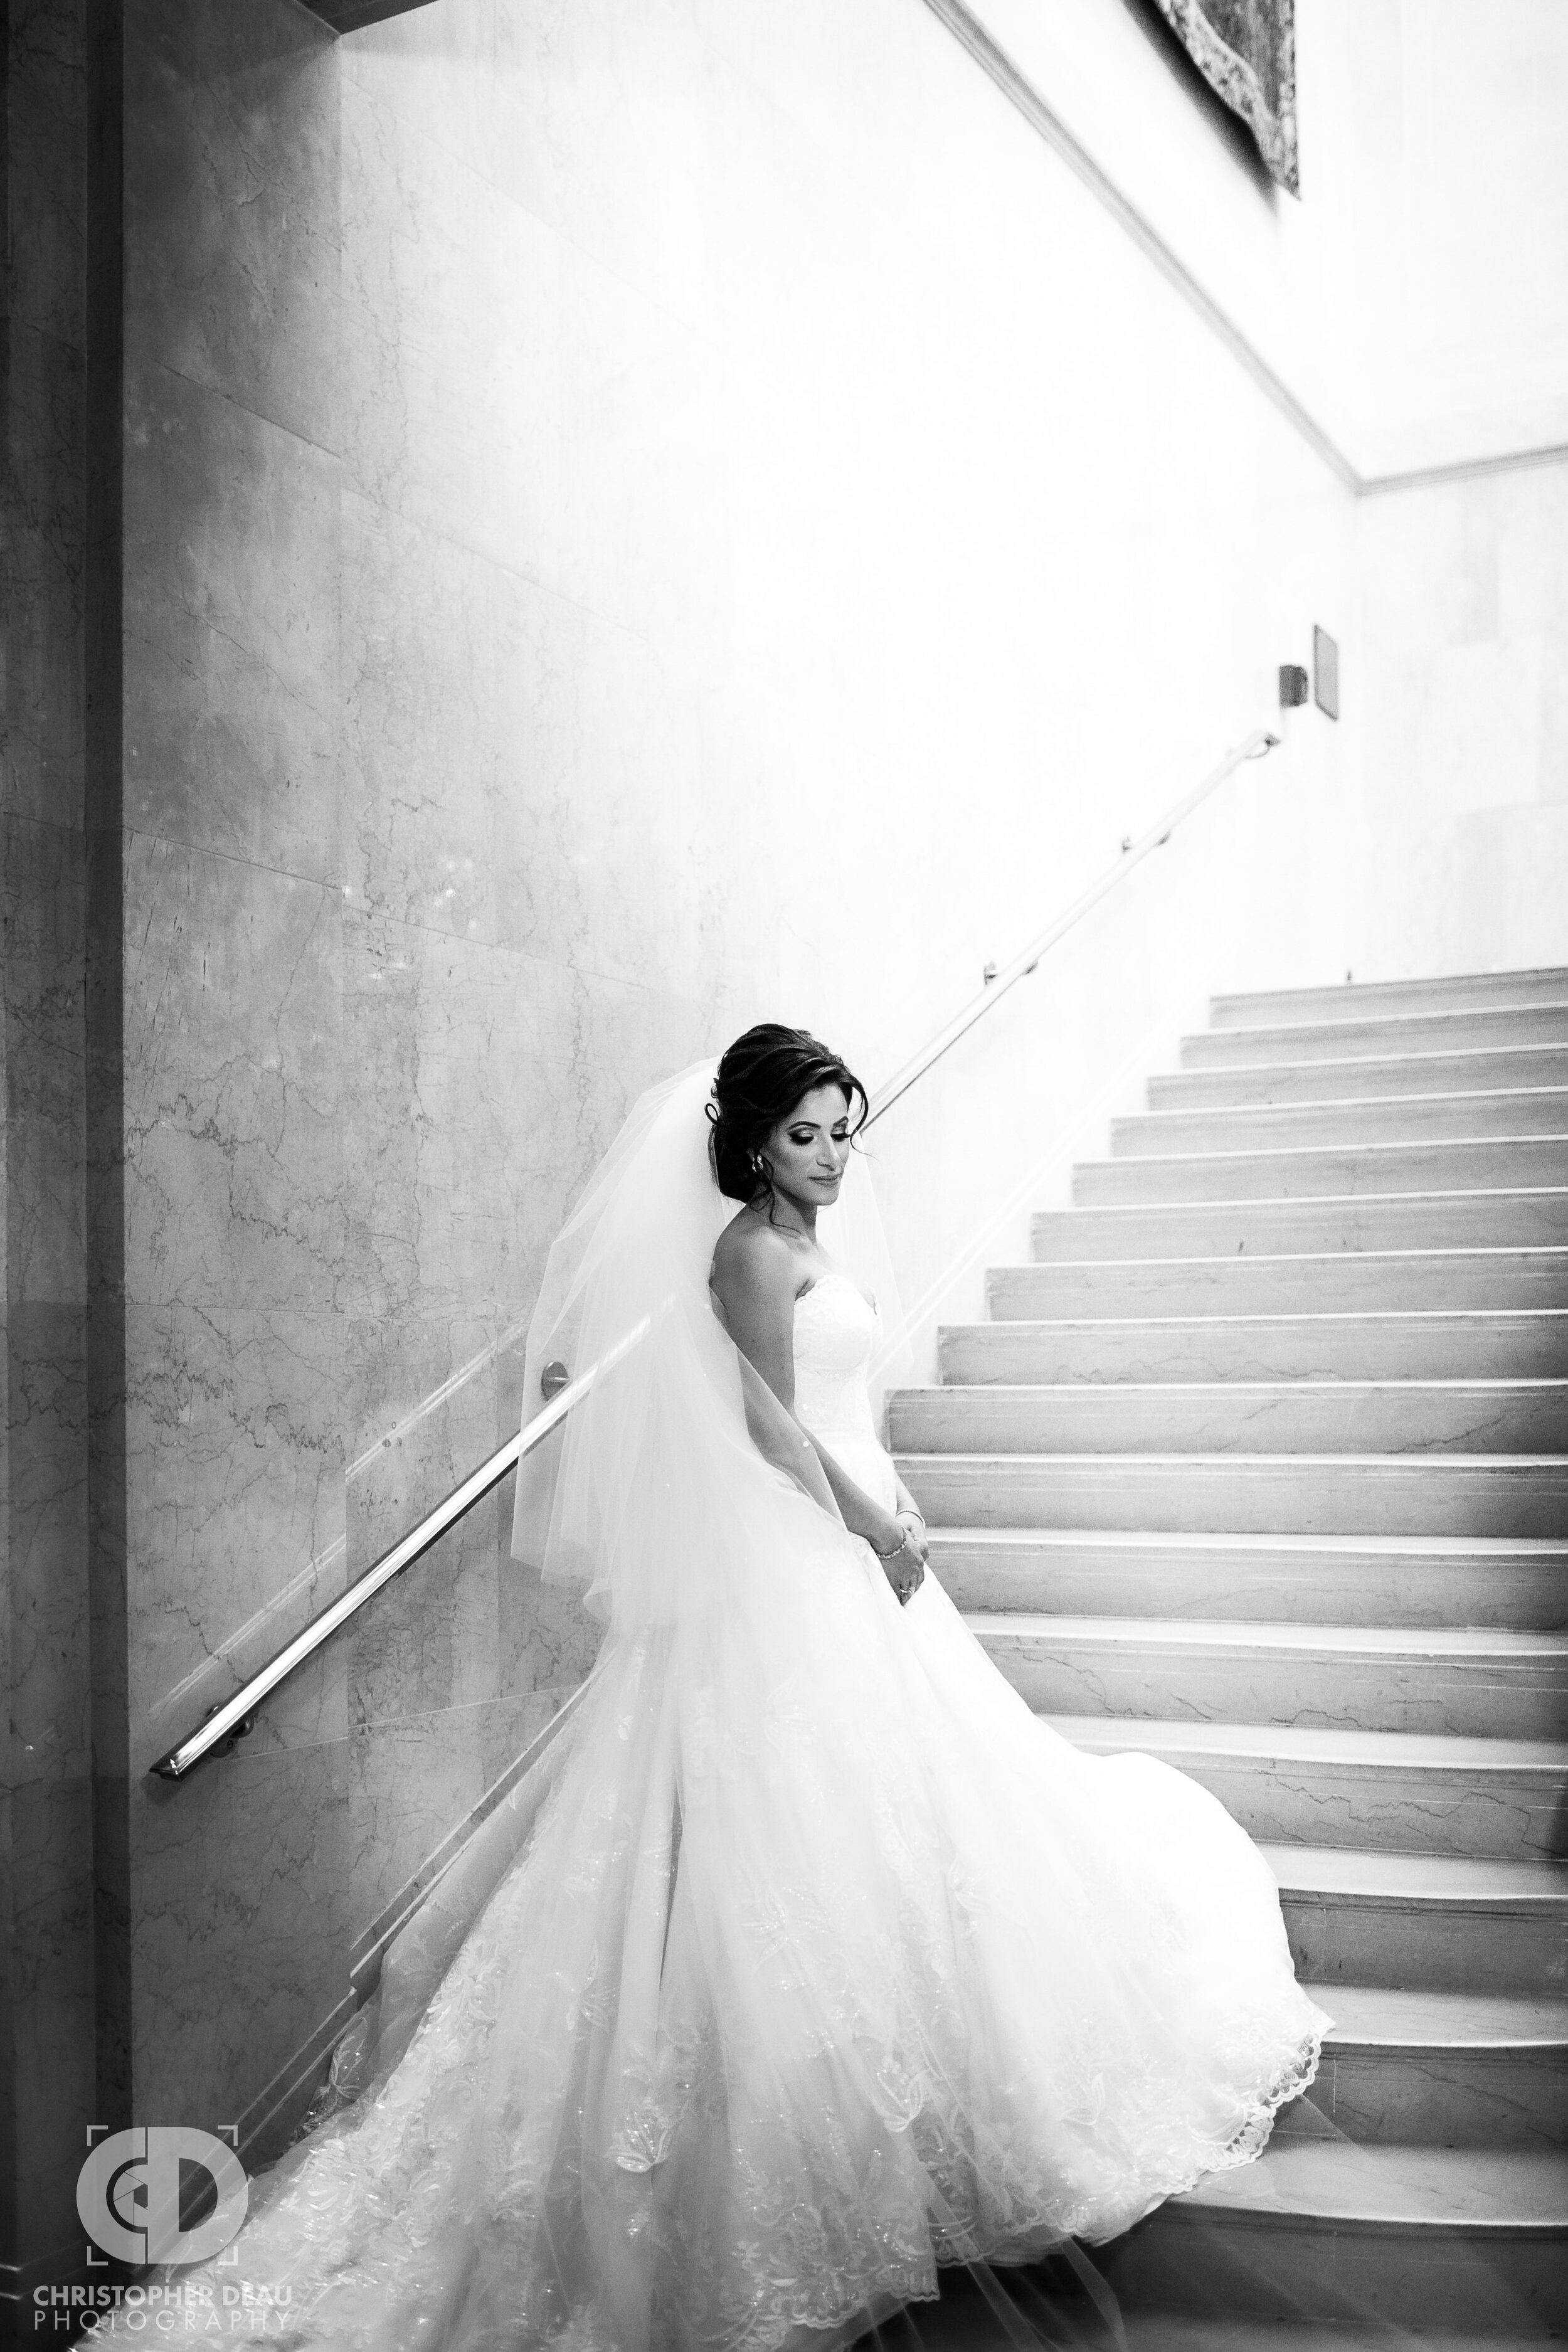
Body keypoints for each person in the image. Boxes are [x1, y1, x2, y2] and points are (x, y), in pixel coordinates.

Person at [96, 1027, 1328, 2352]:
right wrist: (872, 1525)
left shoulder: (814, 1245)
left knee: (915, 1832)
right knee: (790, 1843)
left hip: (844, 1548)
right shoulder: (748, 1248)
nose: (832, 1156)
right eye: (806, 1134)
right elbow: (763, 1425)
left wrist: (881, 1497)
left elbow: (835, 1400)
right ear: (752, 1140)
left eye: (843, 1130)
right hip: (798, 1560)